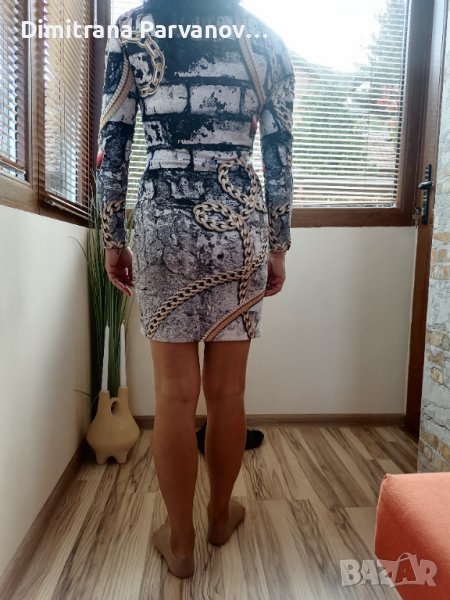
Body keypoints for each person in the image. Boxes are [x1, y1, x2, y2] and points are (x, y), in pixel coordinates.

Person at [96, 0, 295, 578]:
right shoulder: (266, 40)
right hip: (240, 223)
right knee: (228, 394)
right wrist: (278, 244)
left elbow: (113, 143)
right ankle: (218, 517)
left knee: (174, 396)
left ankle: (180, 544)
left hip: (162, 222)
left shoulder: (132, 30)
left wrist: (113, 237)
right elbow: (279, 153)